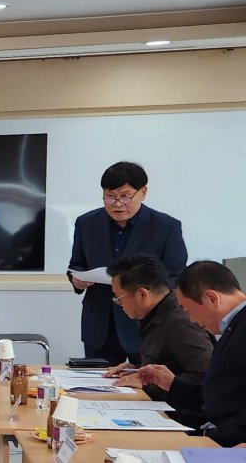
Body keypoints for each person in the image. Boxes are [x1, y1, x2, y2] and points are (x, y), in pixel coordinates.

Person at [67, 161, 186, 363]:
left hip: (145, 325)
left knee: (147, 380)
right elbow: (77, 264)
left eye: (125, 196)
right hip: (100, 326)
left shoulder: (166, 227)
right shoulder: (86, 223)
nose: (117, 203)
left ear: (143, 192)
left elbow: (175, 276)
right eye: (110, 196)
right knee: (97, 381)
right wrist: (76, 280)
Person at [134, 261, 246, 446]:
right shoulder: (233, 326)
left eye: (188, 310)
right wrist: (172, 384)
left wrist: (224, 440)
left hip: (230, 445)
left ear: (211, 298)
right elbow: (221, 393)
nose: (191, 320)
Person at [103, 253, 213, 405]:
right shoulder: (155, 314)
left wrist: (150, 383)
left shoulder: (179, 322)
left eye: (119, 298)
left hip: (180, 412)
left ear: (142, 294)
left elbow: (207, 378)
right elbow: (171, 363)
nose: (119, 305)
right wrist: (137, 370)